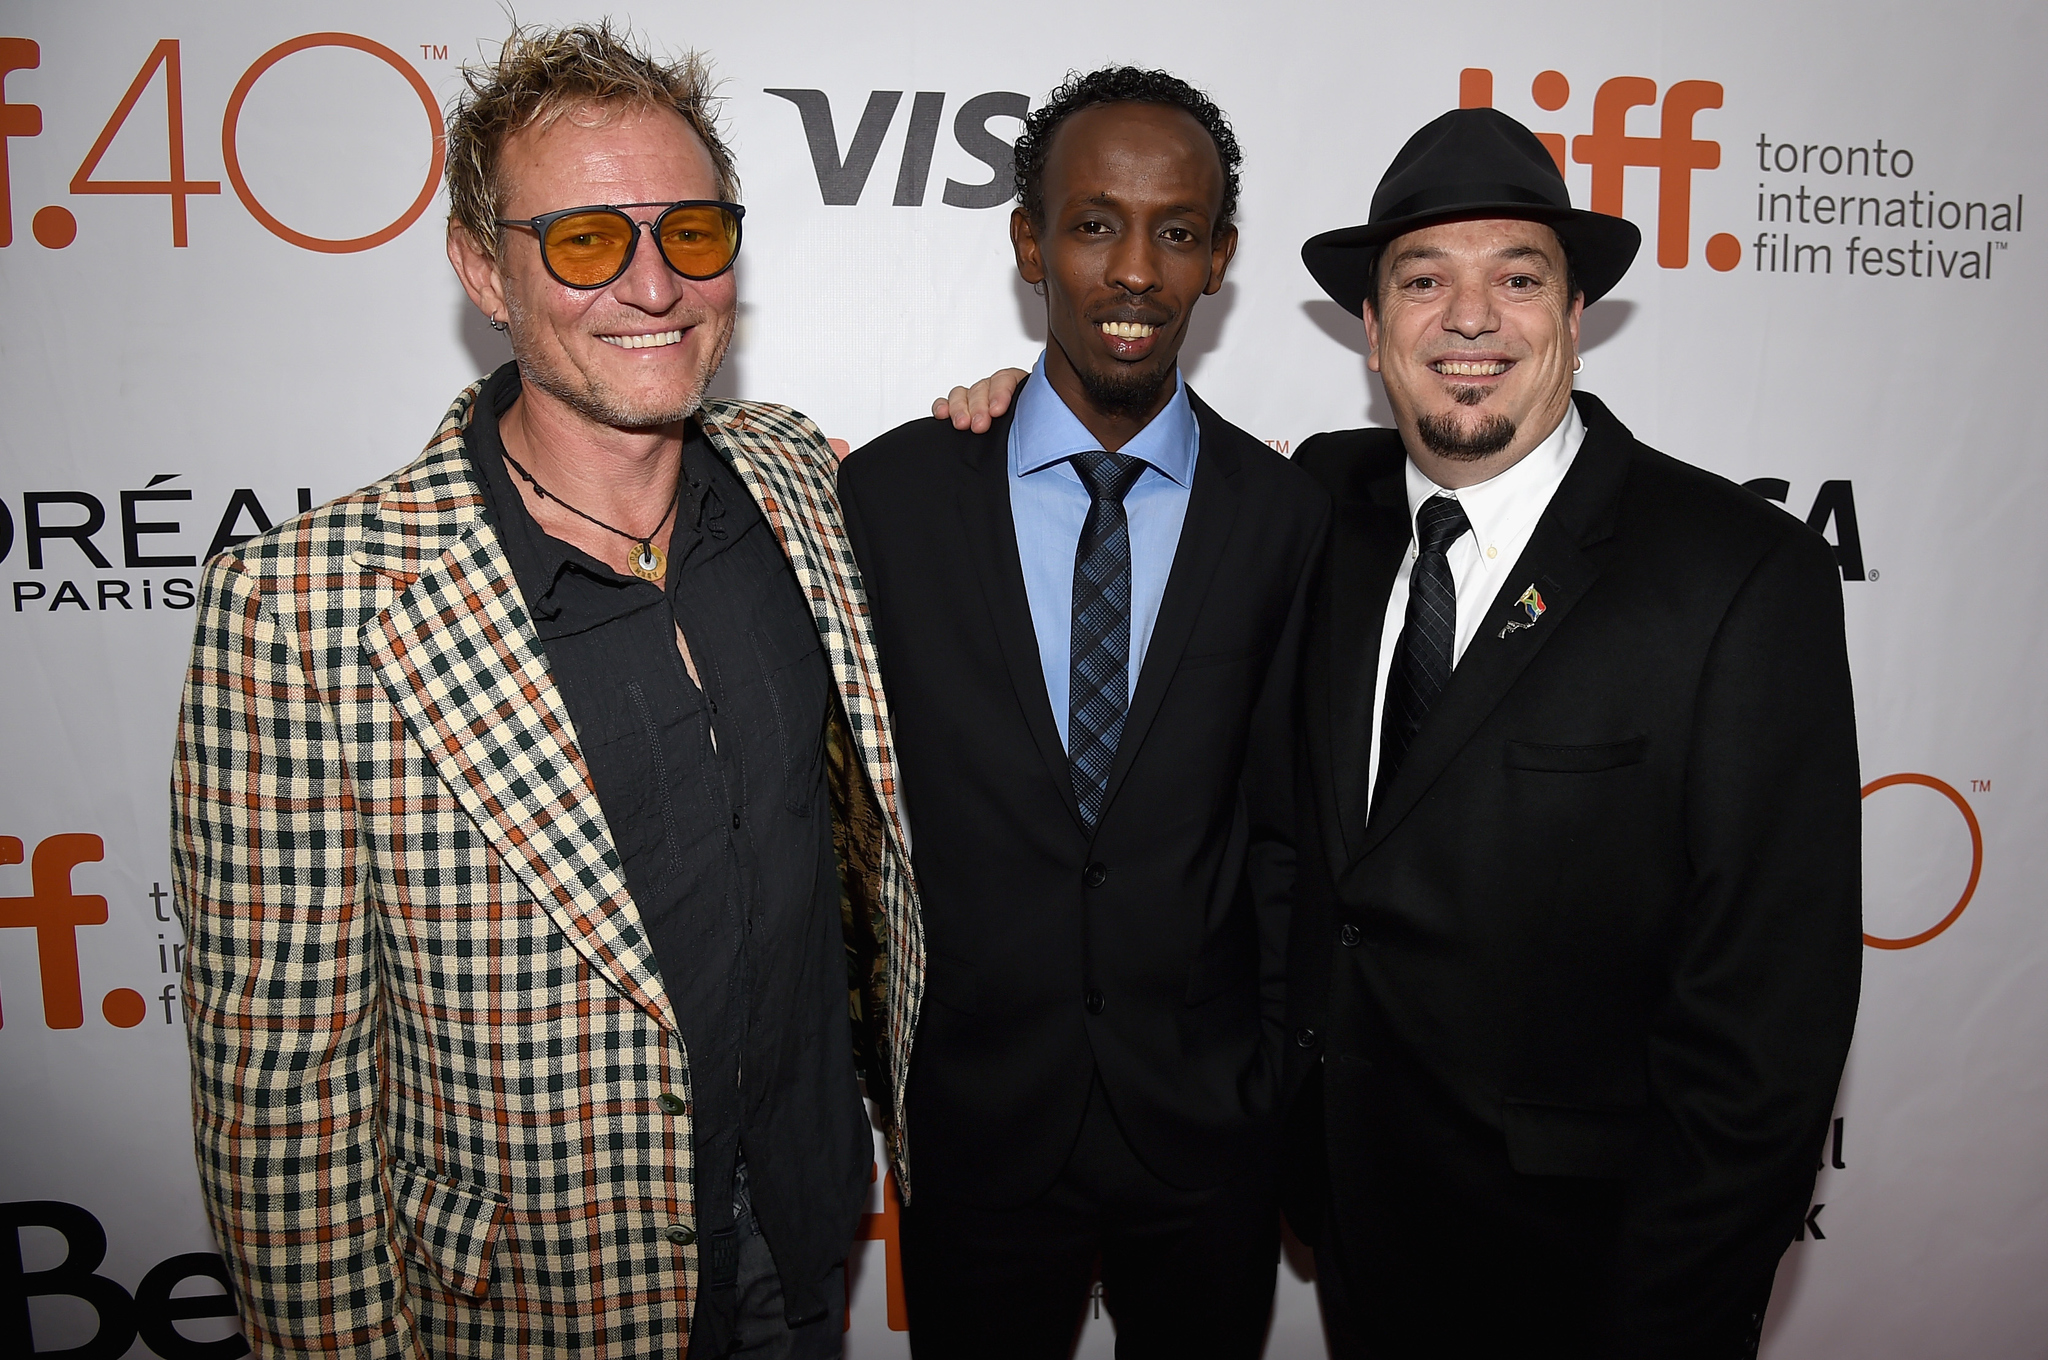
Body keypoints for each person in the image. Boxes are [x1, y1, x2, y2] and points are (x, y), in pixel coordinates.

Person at [939, 107, 1861, 1360]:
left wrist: (1666, 1315)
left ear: (1574, 317)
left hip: (1593, 1277)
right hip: (1357, 1236)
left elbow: (1765, 1036)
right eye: (1424, 281)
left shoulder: (1736, 579)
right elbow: (1132, 444)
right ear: (1370, 332)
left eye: (1516, 279)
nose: (1468, 320)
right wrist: (1012, 412)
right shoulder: (1324, 505)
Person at [169, 24, 919, 1359]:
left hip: (811, 1220)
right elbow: (284, 1110)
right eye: (584, 241)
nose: (652, 284)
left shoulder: (798, 479)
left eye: (691, 231)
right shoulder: (303, 613)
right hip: (532, 1300)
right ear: (483, 269)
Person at [837, 67, 1328, 1359]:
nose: (1133, 272)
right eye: (1095, 222)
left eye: (1176, 232)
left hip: (1208, 1134)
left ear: (1218, 259)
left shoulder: (1285, 518)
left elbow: (1291, 835)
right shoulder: (893, 496)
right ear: (1029, 243)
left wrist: (1270, 1086)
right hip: (976, 1125)